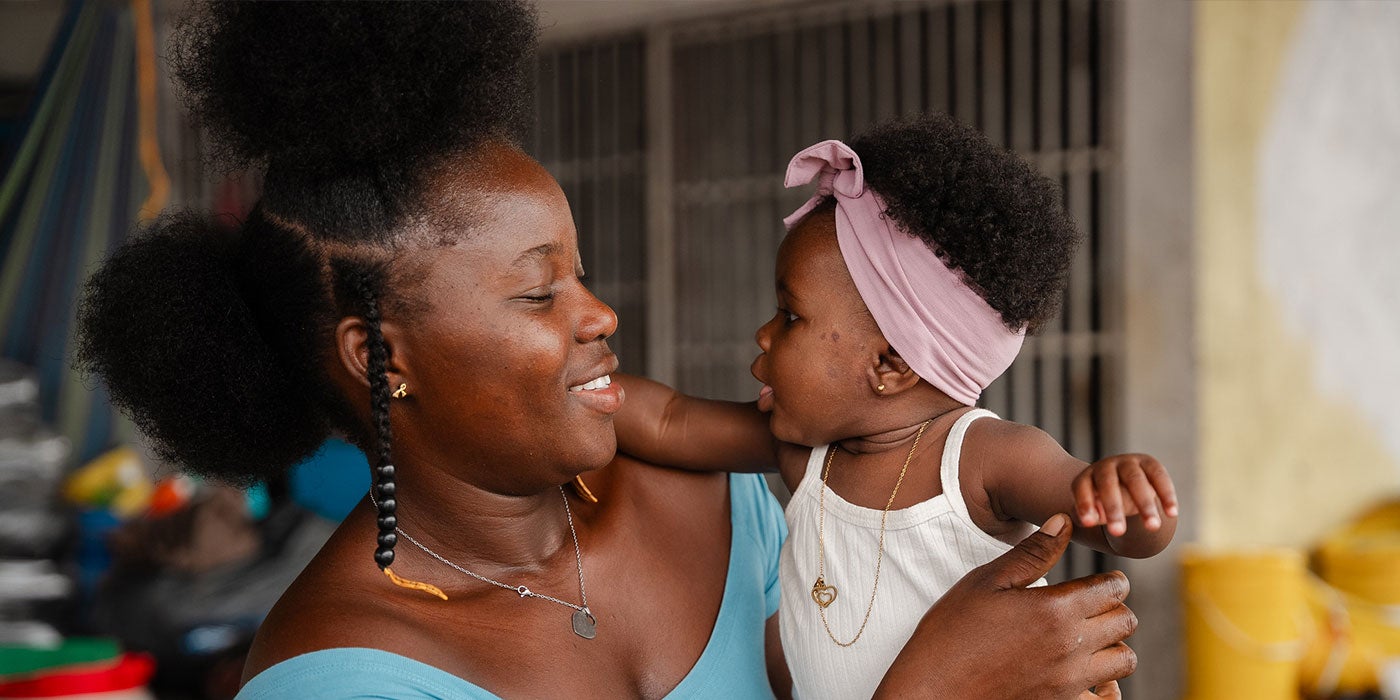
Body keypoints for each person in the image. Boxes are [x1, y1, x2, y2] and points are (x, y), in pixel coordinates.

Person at [74, 2, 1137, 698]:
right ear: (378, 356)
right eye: (539, 290)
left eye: (579, 272)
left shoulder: (726, 502)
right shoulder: (339, 677)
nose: (600, 315)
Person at [615, 117, 1179, 699]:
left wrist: (1127, 493)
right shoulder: (806, 454)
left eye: (790, 316)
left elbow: (1127, 533)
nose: (763, 334)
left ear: (888, 364)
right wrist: (576, 386)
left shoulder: (983, 460)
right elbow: (668, 421)